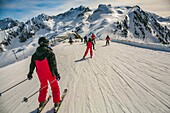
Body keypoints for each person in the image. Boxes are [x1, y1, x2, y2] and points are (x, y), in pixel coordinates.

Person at [27, 37, 61, 108]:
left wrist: (30, 74)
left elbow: (32, 65)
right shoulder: (50, 53)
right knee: (54, 87)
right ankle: (57, 102)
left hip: (41, 75)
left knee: (43, 87)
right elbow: (53, 65)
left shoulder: (34, 55)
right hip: (50, 74)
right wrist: (57, 74)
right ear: (46, 43)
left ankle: (41, 102)